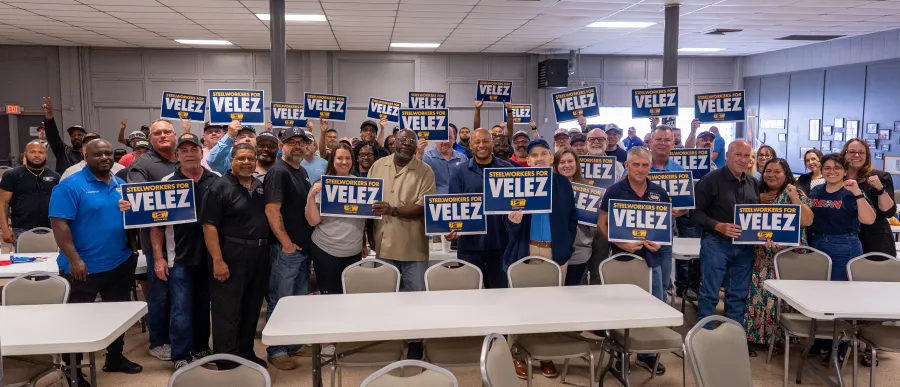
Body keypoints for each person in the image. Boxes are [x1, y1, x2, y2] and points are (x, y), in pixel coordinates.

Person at [50, 139, 142, 386]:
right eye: (98, 154)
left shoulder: (120, 184)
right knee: (78, 323)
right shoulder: (69, 187)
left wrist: (131, 217)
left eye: (108, 153)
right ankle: (72, 371)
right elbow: (59, 226)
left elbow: (129, 221)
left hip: (120, 263)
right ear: (85, 156)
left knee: (117, 316)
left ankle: (115, 359)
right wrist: (74, 260)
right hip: (83, 268)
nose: (104, 157)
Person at [503, 138, 577, 379]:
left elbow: (571, 220)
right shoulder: (517, 183)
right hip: (528, 252)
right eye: (534, 155)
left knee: (551, 308)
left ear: (551, 158)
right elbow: (508, 225)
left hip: (556, 255)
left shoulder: (563, 185)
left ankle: (545, 354)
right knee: (521, 307)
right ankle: (516, 353)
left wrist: (565, 246)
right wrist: (513, 222)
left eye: (544, 154)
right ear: (528, 160)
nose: (540, 158)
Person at [147, 133, 218, 370]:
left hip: (209, 257)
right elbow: (156, 226)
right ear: (177, 155)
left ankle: (200, 347)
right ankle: (181, 355)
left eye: (193, 149)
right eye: (184, 150)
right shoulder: (167, 182)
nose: (189, 153)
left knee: (203, 305)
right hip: (179, 257)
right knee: (180, 308)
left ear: (201, 152)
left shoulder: (216, 179)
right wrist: (158, 258)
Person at [599, 146, 671, 375]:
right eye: (635, 164)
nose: (640, 169)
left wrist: (660, 242)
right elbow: (602, 224)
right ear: (627, 165)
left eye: (645, 165)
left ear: (650, 166)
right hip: (622, 261)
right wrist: (620, 244)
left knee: (653, 307)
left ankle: (647, 354)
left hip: (652, 259)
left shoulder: (659, 193)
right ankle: (620, 355)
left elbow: (667, 225)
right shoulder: (613, 191)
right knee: (622, 309)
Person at [201, 143, 270, 368]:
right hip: (231, 254)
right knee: (227, 311)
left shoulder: (259, 185)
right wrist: (218, 260)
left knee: (251, 308)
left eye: (251, 158)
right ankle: (226, 360)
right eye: (241, 158)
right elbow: (209, 226)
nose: (246, 162)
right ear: (231, 161)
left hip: (258, 255)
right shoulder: (219, 186)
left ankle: (246, 353)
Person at [369, 129, 435, 360]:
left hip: (413, 246)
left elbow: (423, 207)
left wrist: (392, 209)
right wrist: (369, 235)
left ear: (417, 145)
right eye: (402, 140)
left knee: (416, 299)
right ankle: (389, 339)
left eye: (411, 141)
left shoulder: (425, 171)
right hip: (383, 244)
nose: (406, 144)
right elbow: (368, 202)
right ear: (393, 142)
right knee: (386, 298)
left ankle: (415, 342)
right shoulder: (377, 165)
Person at [744, 158, 813, 355]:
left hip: (788, 257)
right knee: (761, 296)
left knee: (781, 298)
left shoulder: (794, 192)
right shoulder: (756, 193)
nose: (772, 175)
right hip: (763, 255)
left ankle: (782, 336)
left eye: (777, 171)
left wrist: (795, 200)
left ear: (786, 174)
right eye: (768, 171)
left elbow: (807, 220)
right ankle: (760, 337)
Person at [691, 140, 759, 327]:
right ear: (727, 155)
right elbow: (694, 213)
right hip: (716, 243)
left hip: (744, 247)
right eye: (738, 154)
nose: (742, 159)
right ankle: (704, 335)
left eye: (746, 156)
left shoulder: (753, 182)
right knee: (710, 293)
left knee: (738, 294)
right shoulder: (710, 180)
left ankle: (733, 335)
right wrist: (717, 225)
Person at [128, 119, 180, 362]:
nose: (162, 136)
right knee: (160, 293)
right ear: (151, 138)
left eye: (167, 131)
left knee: (178, 293)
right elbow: (140, 204)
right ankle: (158, 341)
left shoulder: (183, 159)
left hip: (183, 241)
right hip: (156, 241)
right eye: (157, 133)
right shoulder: (142, 165)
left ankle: (177, 336)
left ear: (175, 135)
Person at [263, 127, 314, 370]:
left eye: (301, 142)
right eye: (291, 142)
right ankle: (277, 350)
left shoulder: (301, 170)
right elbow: (272, 210)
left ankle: (292, 344)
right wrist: (285, 243)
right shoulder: (278, 172)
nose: (296, 146)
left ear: (306, 146)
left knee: (297, 300)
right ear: (282, 145)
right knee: (280, 299)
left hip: (302, 248)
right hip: (286, 250)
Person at [447, 128, 516, 289]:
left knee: (500, 297)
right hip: (469, 246)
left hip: (501, 245)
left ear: (492, 143)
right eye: (477, 142)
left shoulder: (509, 170)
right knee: (470, 299)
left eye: (485, 141)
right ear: (470, 145)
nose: (481, 145)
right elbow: (453, 208)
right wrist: (449, 229)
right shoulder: (459, 172)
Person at [306, 143, 366, 294]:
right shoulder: (321, 185)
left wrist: (364, 242)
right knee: (330, 298)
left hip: (354, 251)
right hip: (326, 250)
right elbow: (313, 221)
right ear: (332, 160)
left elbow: (364, 219)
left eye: (348, 158)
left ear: (353, 161)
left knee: (351, 297)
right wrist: (312, 196)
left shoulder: (361, 184)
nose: (344, 162)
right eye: (339, 158)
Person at [647, 126, 689, 299]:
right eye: (658, 139)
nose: (662, 143)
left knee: (663, 282)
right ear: (650, 142)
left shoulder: (680, 171)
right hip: (635, 234)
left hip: (665, 235)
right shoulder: (640, 165)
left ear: (673, 142)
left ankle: (661, 319)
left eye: (666, 140)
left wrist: (680, 211)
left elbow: (686, 205)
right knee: (639, 280)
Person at [841, 139, 897, 257]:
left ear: (867, 156)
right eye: (852, 151)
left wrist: (880, 189)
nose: (856, 155)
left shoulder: (880, 177)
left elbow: (888, 212)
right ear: (844, 154)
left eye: (861, 152)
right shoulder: (838, 178)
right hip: (844, 239)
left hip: (875, 239)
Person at [583, 128, 624, 284]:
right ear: (586, 143)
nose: (596, 142)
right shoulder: (576, 164)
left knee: (598, 271)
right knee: (579, 271)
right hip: (580, 226)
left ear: (607, 142)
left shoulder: (619, 167)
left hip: (604, 224)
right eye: (592, 139)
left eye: (600, 139)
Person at [0, 140, 61, 244]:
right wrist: (5, 229)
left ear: (45, 155)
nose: (37, 155)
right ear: (25, 155)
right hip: (22, 229)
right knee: (25, 260)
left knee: (52, 259)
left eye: (41, 152)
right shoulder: (11, 175)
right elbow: (3, 203)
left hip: (51, 228)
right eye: (32, 152)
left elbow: (61, 204)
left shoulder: (55, 177)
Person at [552, 149, 596, 286]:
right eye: (562, 162)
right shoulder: (548, 188)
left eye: (570, 161)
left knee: (576, 295)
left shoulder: (590, 190)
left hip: (580, 252)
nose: (566, 165)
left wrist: (597, 211)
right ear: (556, 165)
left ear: (576, 164)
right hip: (555, 250)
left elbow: (595, 229)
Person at [41, 97, 85, 172]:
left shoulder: (91, 155)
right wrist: (49, 118)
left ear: (85, 137)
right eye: (73, 135)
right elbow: (53, 137)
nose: (76, 137)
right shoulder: (64, 151)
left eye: (79, 135)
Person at [422, 126, 467, 194]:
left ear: (454, 139)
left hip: (458, 201)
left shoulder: (463, 158)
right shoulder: (426, 157)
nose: (445, 142)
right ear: (435, 140)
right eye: (441, 138)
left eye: (449, 137)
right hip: (435, 201)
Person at [61, 133, 126, 180]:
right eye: (87, 145)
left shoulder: (120, 169)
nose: (91, 148)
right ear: (82, 149)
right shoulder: (70, 172)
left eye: (96, 145)